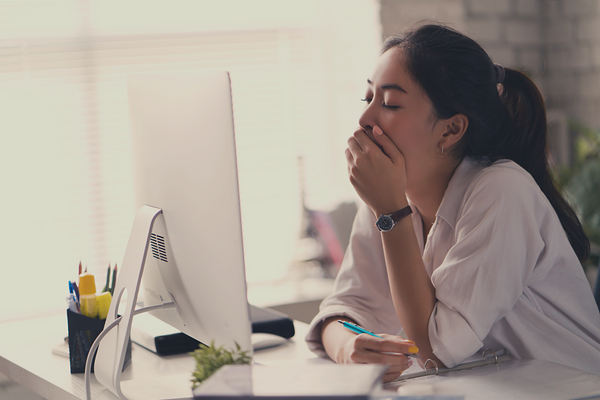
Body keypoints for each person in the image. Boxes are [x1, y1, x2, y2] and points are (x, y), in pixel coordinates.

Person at [305, 23, 600, 382]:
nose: (365, 120)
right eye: (368, 99)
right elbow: (343, 309)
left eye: (390, 103)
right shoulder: (388, 196)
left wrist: (390, 213)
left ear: (450, 130)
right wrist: (348, 349)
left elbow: (434, 351)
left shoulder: (502, 191)